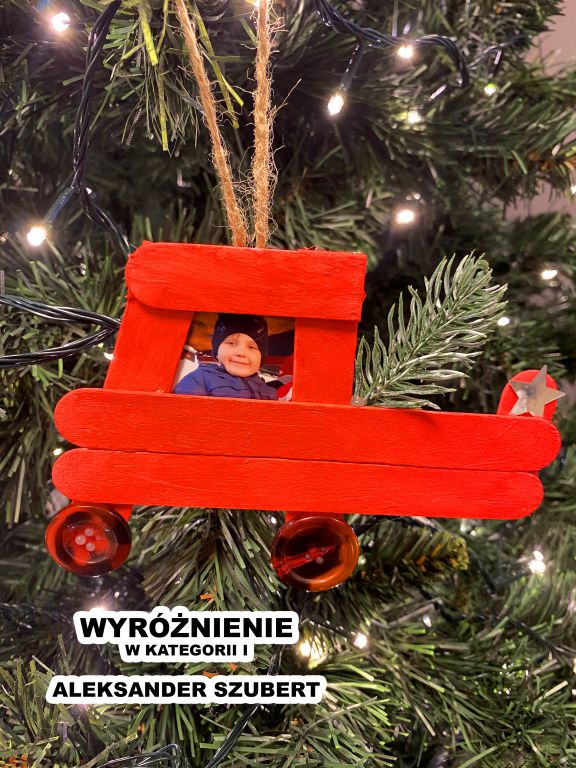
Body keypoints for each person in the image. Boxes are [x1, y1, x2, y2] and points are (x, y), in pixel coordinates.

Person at [173, 313, 278, 400]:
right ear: (217, 352)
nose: (241, 352)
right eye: (231, 343)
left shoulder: (268, 391)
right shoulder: (201, 379)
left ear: (261, 358)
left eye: (251, 347)